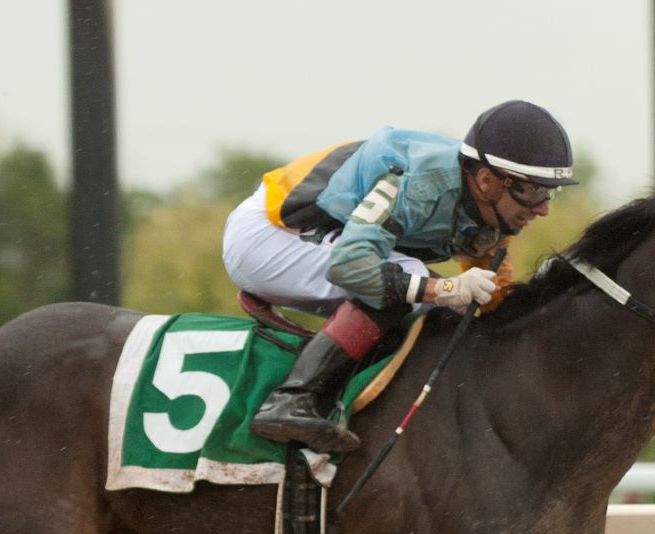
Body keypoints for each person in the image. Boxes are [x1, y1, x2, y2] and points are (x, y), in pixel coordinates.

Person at [223, 100, 576, 453]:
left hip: (321, 240)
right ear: (487, 180)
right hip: (268, 236)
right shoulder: (414, 182)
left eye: (550, 193)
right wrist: (444, 287)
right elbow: (350, 267)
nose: (543, 208)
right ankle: (291, 400)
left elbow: (495, 298)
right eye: (533, 191)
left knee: (442, 311)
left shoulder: (495, 209)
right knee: (412, 282)